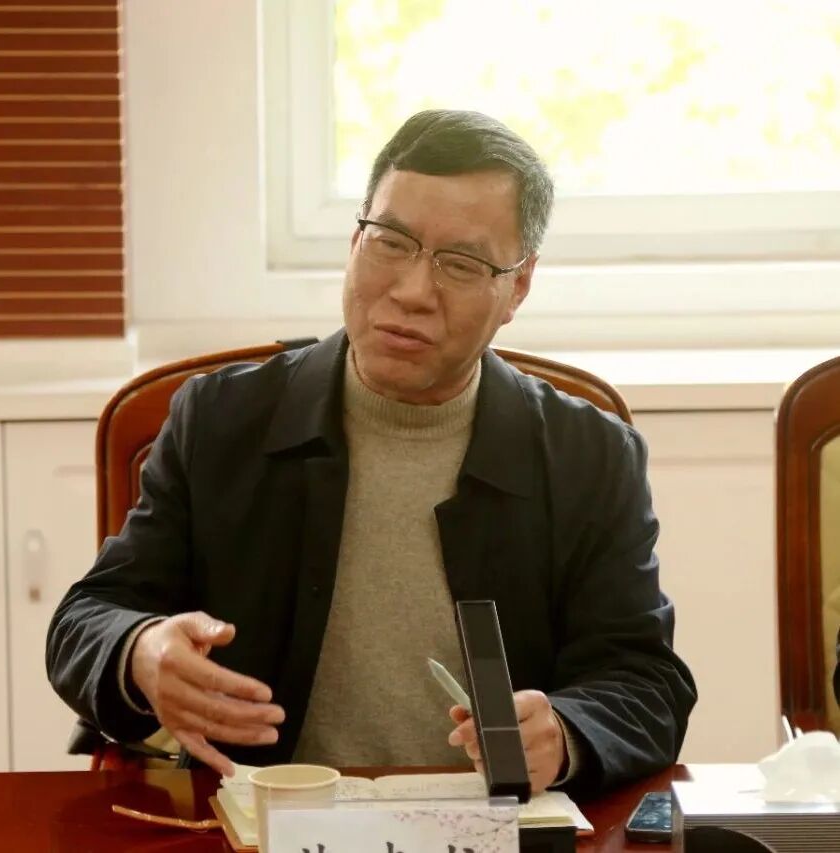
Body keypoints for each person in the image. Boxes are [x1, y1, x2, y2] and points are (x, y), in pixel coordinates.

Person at [46, 109, 696, 795]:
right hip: (271, 814)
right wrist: (143, 650)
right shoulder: (223, 420)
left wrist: (564, 732)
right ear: (355, 239)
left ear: (518, 287)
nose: (412, 292)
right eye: (390, 242)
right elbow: (88, 618)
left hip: (490, 822)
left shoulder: (589, 455)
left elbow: (645, 680)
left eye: (461, 263)